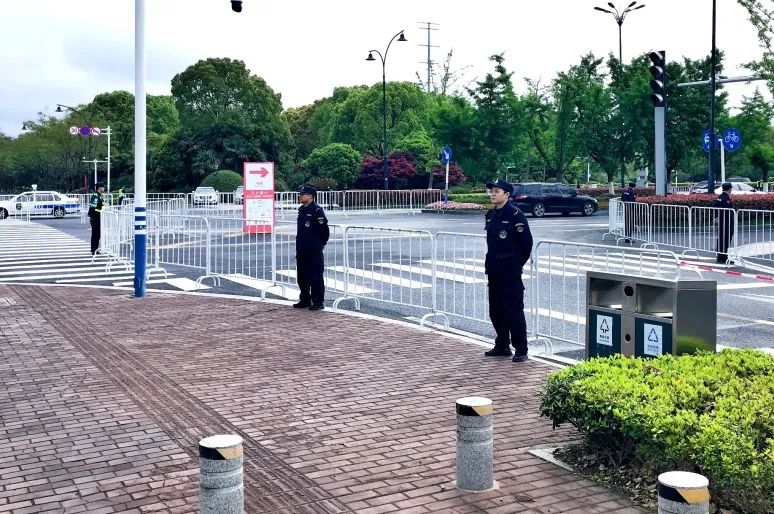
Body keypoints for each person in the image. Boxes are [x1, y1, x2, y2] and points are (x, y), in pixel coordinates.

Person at [483, 179, 534, 363]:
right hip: (494, 270)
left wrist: (515, 265)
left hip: (510, 271)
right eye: (491, 191)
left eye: (496, 191)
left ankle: (521, 349)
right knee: (496, 310)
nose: (492, 194)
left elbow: (526, 244)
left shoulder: (515, 215)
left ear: (506, 194)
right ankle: (502, 344)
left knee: (513, 310)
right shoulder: (491, 214)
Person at [294, 184, 330, 310]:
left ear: (310, 196)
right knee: (302, 276)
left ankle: (318, 301)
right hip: (302, 248)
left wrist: (320, 244)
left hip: (313, 248)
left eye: (302, 194)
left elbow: (324, 230)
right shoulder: (301, 209)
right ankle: (305, 299)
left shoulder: (317, 210)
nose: (300, 196)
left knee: (315, 276)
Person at [714, 182, 735, 264]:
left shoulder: (719, 197)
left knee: (720, 239)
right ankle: (724, 257)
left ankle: (720, 257)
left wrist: (717, 218)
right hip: (727, 223)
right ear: (730, 189)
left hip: (721, 222)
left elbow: (716, 209)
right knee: (726, 240)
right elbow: (728, 212)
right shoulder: (726, 199)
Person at [88, 183, 105, 255]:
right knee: (95, 234)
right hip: (95, 218)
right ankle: (94, 250)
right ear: (99, 188)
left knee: (97, 235)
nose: (104, 188)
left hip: (98, 217)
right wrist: (101, 210)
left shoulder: (99, 196)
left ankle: (95, 249)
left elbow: (101, 205)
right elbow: (93, 208)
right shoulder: (96, 196)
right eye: (103, 187)